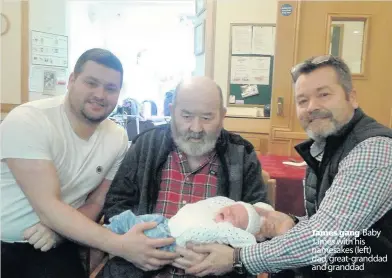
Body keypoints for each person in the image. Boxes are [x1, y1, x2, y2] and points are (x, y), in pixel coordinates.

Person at [182, 55, 392, 278]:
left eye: (324, 94)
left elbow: (325, 238)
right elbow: (337, 223)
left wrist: (237, 259)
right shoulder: (325, 146)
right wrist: (291, 222)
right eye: (302, 100)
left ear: (352, 97)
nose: (312, 107)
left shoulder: (373, 149)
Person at [0, 48, 177, 278]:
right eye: (91, 83)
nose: (100, 95)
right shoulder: (29, 120)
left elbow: (96, 201)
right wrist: (121, 246)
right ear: (72, 80)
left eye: (111, 88)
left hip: (62, 239)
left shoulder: (117, 137)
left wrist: (59, 232)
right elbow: (49, 207)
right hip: (7, 243)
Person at [100, 76, 270, 278]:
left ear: (222, 115)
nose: (196, 128)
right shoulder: (146, 146)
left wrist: (230, 256)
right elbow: (116, 204)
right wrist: (133, 244)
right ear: (172, 111)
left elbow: (262, 224)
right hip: (142, 269)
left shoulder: (241, 155)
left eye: (207, 118)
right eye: (186, 116)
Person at [105, 196, 275, 252]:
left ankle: (109, 232)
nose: (229, 211)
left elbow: (250, 244)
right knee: (127, 218)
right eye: (232, 208)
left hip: (167, 240)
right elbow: (115, 201)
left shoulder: (219, 231)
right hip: (164, 221)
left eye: (235, 218)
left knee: (128, 221)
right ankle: (108, 233)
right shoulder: (147, 145)